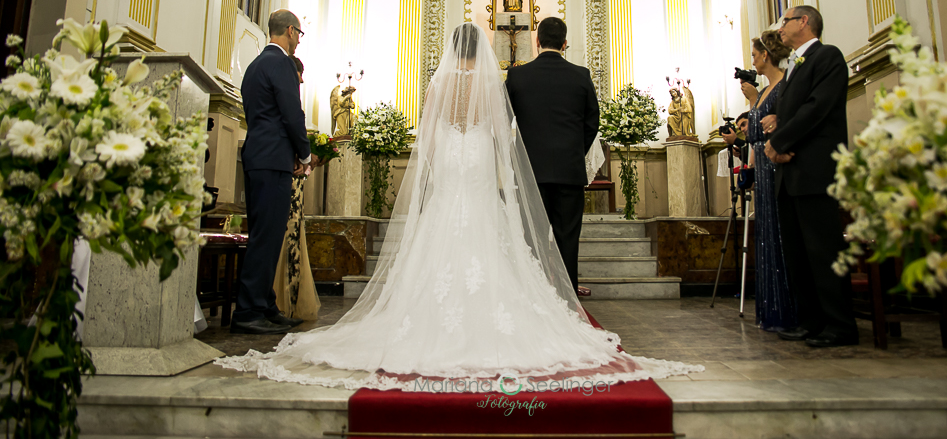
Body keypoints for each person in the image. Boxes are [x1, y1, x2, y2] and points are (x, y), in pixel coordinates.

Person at [216, 23, 701, 389]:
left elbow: (426, 142)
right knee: (495, 238)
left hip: (449, 168)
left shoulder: (437, 85)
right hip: (477, 169)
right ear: (482, 52)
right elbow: (500, 137)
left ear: (452, 51)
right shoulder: (492, 86)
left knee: (439, 235)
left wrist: (432, 173)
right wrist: (502, 176)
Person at [763, 6, 858, 347]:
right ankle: (811, 320)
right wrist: (776, 120)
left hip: (815, 170)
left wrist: (779, 141)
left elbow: (818, 107)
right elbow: (794, 109)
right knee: (798, 252)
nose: (780, 28)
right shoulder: (792, 67)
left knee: (822, 250)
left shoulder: (827, 56)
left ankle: (840, 325)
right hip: (791, 173)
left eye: (784, 21)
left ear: (803, 22)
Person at [233, 9, 317, 335]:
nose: (298, 41)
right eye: (299, 35)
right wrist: (305, 154)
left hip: (257, 156)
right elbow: (291, 113)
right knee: (267, 238)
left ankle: (265, 304)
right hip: (273, 160)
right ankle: (248, 311)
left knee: (263, 235)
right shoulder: (281, 63)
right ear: (292, 31)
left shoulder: (254, 66)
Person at [505, 17, 600, 297]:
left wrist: (520, 155)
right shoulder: (581, 75)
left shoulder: (517, 76)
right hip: (569, 172)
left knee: (531, 237)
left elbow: (502, 118)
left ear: (537, 42)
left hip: (531, 172)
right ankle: (566, 296)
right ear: (565, 43)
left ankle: (533, 296)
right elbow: (592, 123)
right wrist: (573, 152)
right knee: (567, 238)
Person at [745, 31, 798, 331]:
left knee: (779, 234)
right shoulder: (765, 91)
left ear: (766, 55)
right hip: (763, 167)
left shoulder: (783, 87)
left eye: (754, 55)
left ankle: (787, 309)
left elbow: (769, 126)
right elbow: (753, 131)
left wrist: (756, 103)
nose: (752, 60)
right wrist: (754, 101)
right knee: (766, 234)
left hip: (777, 166)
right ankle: (771, 309)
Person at [272, 56, 322, 322]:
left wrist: (309, 159)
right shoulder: (287, 97)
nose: (301, 79)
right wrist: (305, 157)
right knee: (284, 236)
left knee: (292, 234)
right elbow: (292, 124)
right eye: (299, 74)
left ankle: (287, 300)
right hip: (286, 173)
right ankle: (280, 300)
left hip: (291, 174)